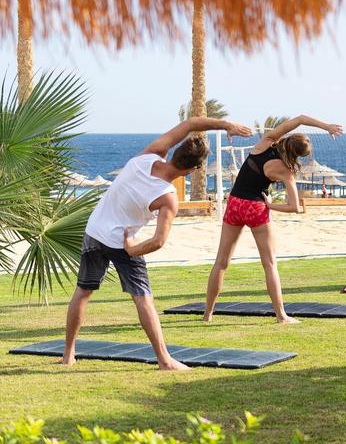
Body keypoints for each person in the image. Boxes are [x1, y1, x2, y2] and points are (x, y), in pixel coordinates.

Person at [62, 117, 252, 370]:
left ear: (174, 152)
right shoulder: (167, 198)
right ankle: (164, 360)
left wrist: (226, 125)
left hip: (95, 231)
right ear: (192, 171)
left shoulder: (147, 156)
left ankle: (68, 355)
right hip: (120, 242)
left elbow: (191, 123)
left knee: (83, 292)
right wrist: (132, 249)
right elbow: (158, 241)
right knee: (143, 298)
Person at [204, 115, 342, 323]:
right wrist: (270, 205)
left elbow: (300, 118)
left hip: (234, 203)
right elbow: (295, 207)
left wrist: (326, 126)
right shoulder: (286, 171)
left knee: (221, 262)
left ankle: (207, 315)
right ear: (299, 156)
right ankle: (281, 315)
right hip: (255, 207)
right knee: (269, 264)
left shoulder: (265, 142)